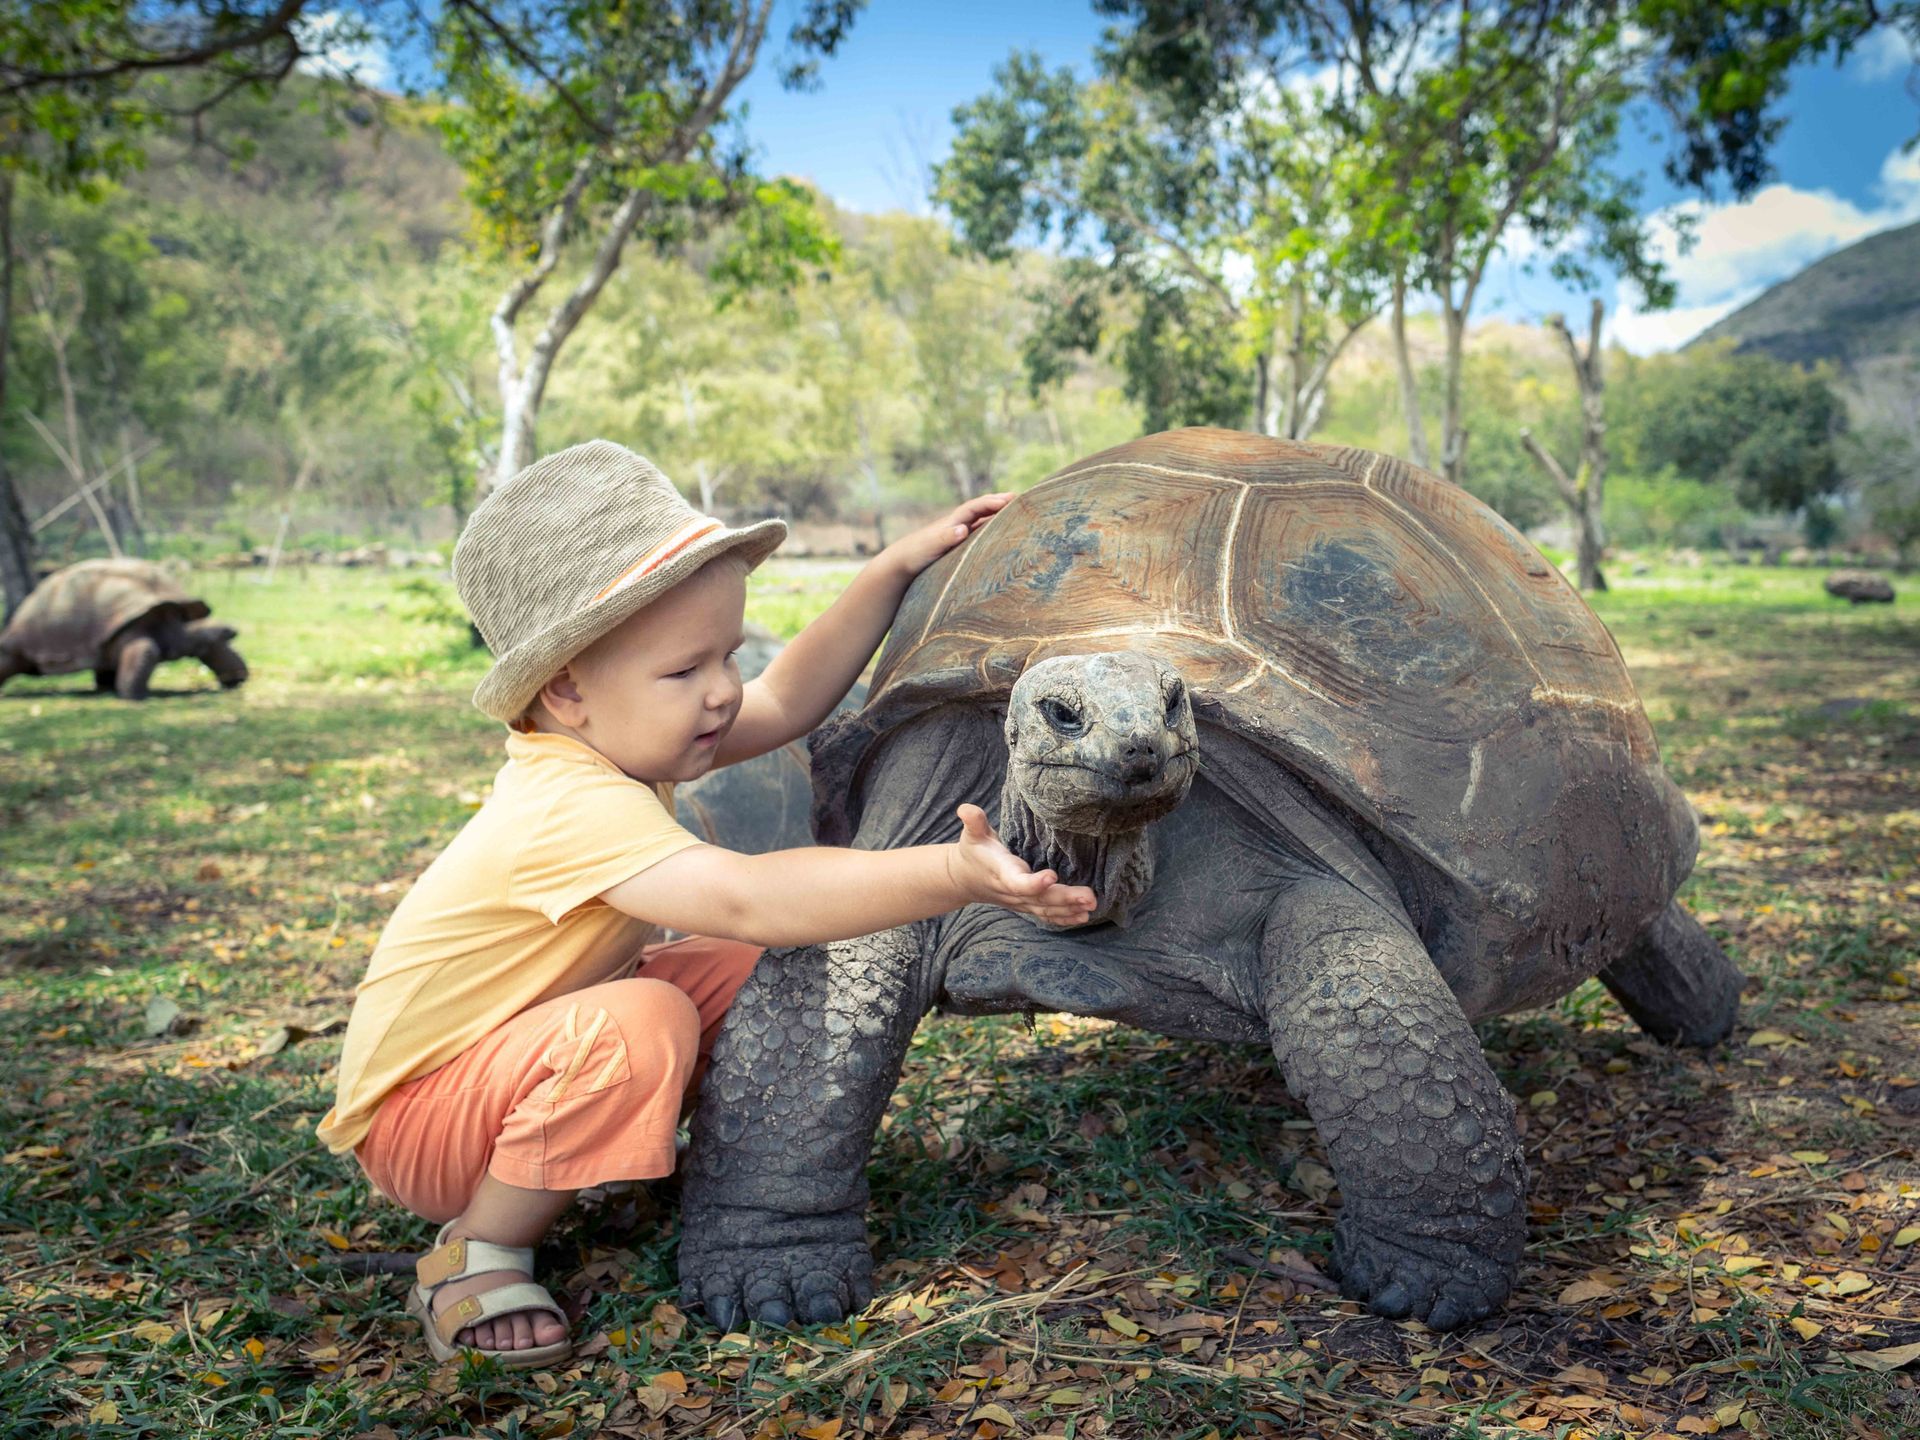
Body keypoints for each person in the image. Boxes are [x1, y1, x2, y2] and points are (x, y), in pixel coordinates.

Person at [314, 440, 1096, 1369]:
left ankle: (694, 1152)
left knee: (742, 975)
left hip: (507, 1061)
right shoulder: (564, 803)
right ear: (566, 689)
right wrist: (954, 874)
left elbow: (785, 698)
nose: (723, 688)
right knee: (643, 1016)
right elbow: (746, 896)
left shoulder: (620, 742)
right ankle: (476, 1247)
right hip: (420, 1120)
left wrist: (890, 570)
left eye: (724, 653)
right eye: (686, 671)